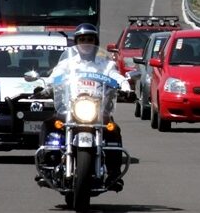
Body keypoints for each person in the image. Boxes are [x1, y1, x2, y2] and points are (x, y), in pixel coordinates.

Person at [37, 23, 130, 191]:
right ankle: (46, 166)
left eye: (89, 39)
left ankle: (114, 173)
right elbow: (54, 77)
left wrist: (126, 87)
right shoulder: (68, 63)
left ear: (95, 42)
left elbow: (117, 76)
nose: (86, 43)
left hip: (97, 109)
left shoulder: (105, 65)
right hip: (70, 107)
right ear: (76, 42)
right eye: (82, 40)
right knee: (49, 124)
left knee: (113, 130)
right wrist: (44, 87)